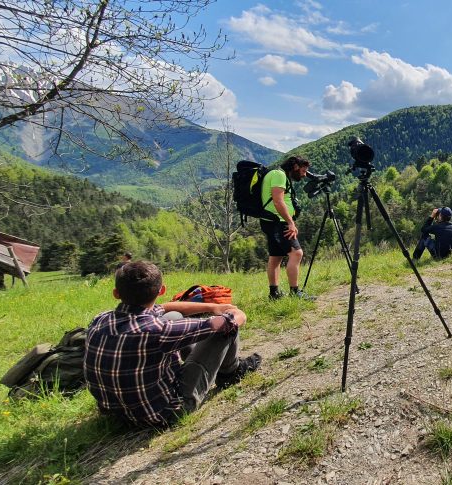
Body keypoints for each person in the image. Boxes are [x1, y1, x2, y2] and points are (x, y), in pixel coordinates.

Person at [84, 261, 261, 428]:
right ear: (161, 290)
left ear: (116, 293)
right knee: (225, 329)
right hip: (164, 413)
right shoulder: (158, 330)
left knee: (174, 315)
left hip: (115, 415)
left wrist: (211, 307)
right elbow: (225, 323)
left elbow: (166, 307)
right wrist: (234, 313)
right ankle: (230, 373)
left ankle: (209, 367)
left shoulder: (99, 319)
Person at [261, 156, 310, 300]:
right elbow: (278, 200)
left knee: (276, 257)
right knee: (297, 253)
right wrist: (290, 222)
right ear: (295, 167)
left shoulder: (278, 175)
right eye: (303, 170)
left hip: (271, 221)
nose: (304, 174)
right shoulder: (279, 175)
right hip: (278, 221)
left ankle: (274, 293)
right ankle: (295, 293)